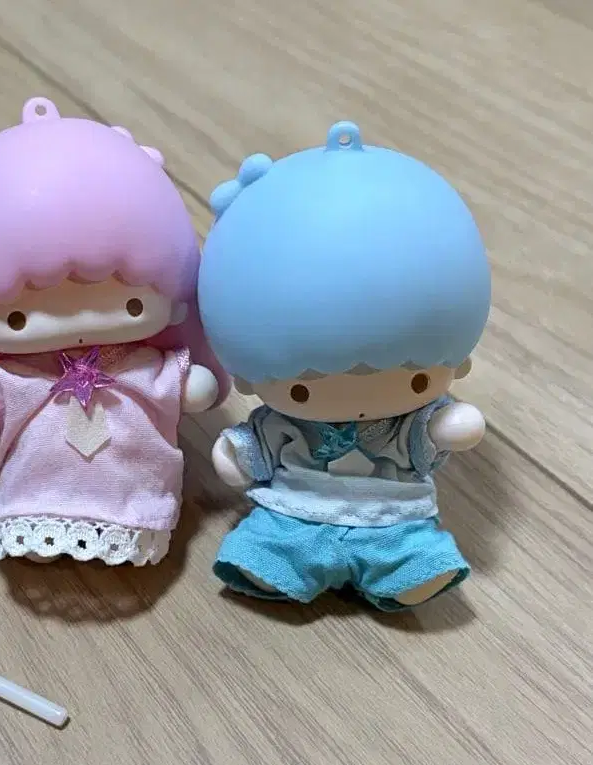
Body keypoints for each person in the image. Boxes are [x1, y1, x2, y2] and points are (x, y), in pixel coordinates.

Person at [0, 98, 225, 566]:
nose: (76, 324)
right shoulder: (13, 376)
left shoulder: (139, 366)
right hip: (33, 495)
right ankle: (41, 523)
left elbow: (190, 385)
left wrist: (189, 381)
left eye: (131, 305)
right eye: (18, 319)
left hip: (134, 496)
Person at [198, 121, 491, 610]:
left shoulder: (404, 424)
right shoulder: (283, 422)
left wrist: (447, 425)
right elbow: (256, 447)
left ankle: (406, 570)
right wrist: (236, 452)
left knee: (416, 553)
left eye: (416, 378)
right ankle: (276, 564)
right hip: (293, 514)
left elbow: (431, 432)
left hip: (393, 520)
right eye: (303, 390)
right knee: (265, 546)